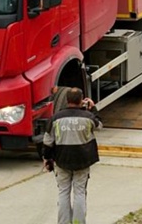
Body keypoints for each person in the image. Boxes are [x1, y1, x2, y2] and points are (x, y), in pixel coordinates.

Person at [43, 87, 102, 224]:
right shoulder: (88, 117)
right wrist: (93, 109)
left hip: (62, 160)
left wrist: (47, 159)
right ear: (81, 100)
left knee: (63, 192)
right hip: (82, 160)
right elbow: (99, 126)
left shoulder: (56, 118)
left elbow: (47, 141)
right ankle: (78, 222)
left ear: (67, 100)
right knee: (80, 192)